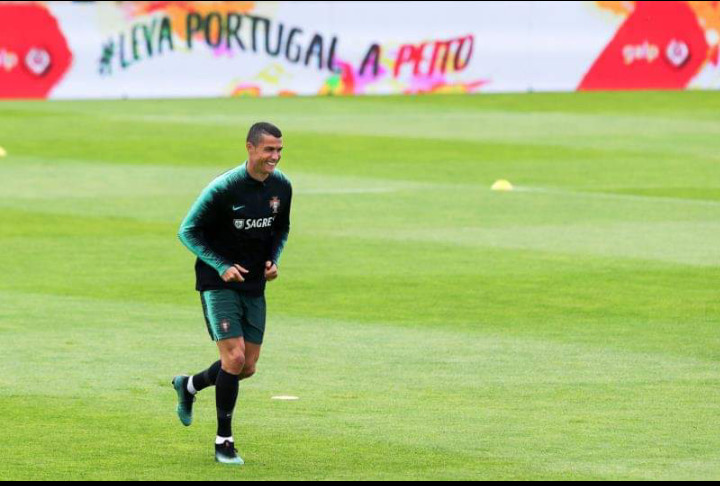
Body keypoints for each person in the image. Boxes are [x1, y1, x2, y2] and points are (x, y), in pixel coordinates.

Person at [172, 122, 292, 465]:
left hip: (254, 283)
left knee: (247, 367)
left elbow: (280, 228)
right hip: (218, 282)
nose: (275, 156)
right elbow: (187, 231)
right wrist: (221, 264)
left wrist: (274, 260)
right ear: (250, 148)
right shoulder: (223, 188)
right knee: (234, 358)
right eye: (269, 149)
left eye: (280, 150)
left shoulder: (282, 186)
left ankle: (190, 385)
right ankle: (224, 441)